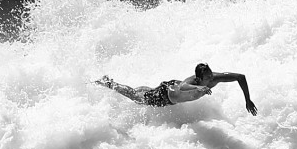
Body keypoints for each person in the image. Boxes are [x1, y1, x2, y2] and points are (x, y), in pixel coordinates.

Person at [96, 63, 257, 114]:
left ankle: (142, 88)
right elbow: (183, 86)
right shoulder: (193, 81)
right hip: (166, 95)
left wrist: (247, 99)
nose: (211, 79)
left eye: (210, 75)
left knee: (144, 91)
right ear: (199, 78)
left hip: (170, 87)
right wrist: (198, 89)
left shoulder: (215, 78)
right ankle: (109, 83)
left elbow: (240, 77)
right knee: (137, 98)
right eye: (207, 77)